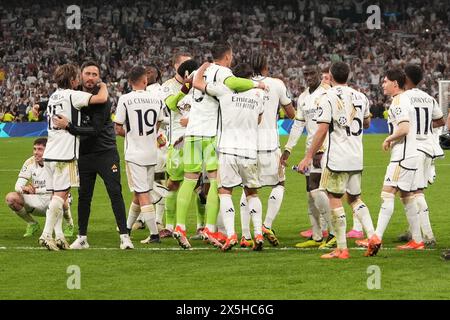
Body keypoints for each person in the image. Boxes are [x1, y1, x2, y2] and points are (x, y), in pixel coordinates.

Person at [172, 41, 265, 249]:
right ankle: (211, 228)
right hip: (212, 135)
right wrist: (257, 84)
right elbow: (236, 84)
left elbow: (186, 89)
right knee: (216, 182)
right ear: (228, 56)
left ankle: (179, 226)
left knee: (189, 179)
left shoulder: (198, 70)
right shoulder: (224, 72)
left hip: (193, 132)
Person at [297, 61, 374, 259]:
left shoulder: (327, 97)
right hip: (357, 156)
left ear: (330, 77)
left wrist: (308, 156)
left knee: (334, 198)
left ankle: (341, 249)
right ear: (348, 76)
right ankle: (373, 236)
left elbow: (322, 130)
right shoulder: (361, 96)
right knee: (355, 198)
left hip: (337, 157)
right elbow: (367, 122)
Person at [51, 61, 130, 250]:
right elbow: (60, 100)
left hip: (106, 152)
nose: (91, 77)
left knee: (115, 192)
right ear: (81, 75)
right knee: (84, 196)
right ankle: (82, 237)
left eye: (95, 74)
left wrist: (69, 127)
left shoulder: (102, 99)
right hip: (85, 153)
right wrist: (40, 103)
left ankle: (125, 236)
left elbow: (94, 130)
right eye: (88, 73)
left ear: (99, 77)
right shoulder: (76, 94)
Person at [194, 61, 265, 251]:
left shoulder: (224, 89)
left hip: (227, 149)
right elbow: (259, 119)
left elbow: (197, 84)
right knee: (252, 192)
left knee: (225, 191)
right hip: (249, 150)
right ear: (251, 77)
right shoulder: (259, 94)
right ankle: (258, 233)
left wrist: (203, 67)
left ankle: (232, 234)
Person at [39, 63, 110, 251]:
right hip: (65, 153)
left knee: (58, 196)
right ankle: (46, 234)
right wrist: (102, 84)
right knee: (61, 196)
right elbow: (102, 98)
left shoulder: (53, 96)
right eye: (77, 77)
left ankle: (60, 235)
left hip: (50, 153)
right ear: (72, 80)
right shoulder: (73, 95)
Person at [365, 68, 423, 257]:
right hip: (413, 154)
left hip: (403, 156)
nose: (383, 84)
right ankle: (417, 240)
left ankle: (376, 237)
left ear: (395, 84)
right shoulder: (406, 98)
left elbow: (404, 128)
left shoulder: (398, 101)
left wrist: (388, 138)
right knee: (406, 196)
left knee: (387, 193)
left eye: (385, 81)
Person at [239, 52, 295, 248]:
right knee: (279, 183)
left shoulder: (241, 84)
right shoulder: (277, 84)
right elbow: (292, 113)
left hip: (247, 145)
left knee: (248, 189)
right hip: (270, 145)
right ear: (265, 66)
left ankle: (245, 235)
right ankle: (266, 225)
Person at [280, 60, 336, 249]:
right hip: (310, 151)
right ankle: (317, 235)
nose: (309, 78)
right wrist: (288, 149)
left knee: (316, 190)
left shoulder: (328, 93)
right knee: (310, 194)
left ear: (319, 75)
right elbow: (298, 125)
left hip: (325, 149)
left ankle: (334, 232)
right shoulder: (303, 97)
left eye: (313, 74)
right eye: (307, 75)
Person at [395, 64, 445, 247]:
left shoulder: (402, 97)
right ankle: (413, 230)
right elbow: (440, 120)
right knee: (410, 190)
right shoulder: (428, 98)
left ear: (405, 78)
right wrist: (424, 126)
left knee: (414, 192)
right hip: (427, 148)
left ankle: (428, 235)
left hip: (412, 148)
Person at [114, 66, 163, 246]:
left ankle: (154, 234)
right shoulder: (156, 99)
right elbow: (158, 123)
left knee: (142, 193)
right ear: (145, 81)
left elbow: (118, 127)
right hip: (151, 151)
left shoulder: (125, 99)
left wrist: (131, 134)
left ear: (129, 82)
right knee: (140, 191)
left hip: (134, 154)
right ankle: (126, 227)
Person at [5, 138, 73, 238]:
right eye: (34, 149)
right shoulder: (30, 162)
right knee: (11, 198)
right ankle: (32, 224)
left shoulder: (57, 163)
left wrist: (36, 190)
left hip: (54, 199)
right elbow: (18, 185)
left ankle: (69, 224)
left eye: (40, 149)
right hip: (36, 199)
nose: (36, 152)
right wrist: (24, 189)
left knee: (62, 198)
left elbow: (58, 189)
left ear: (48, 150)